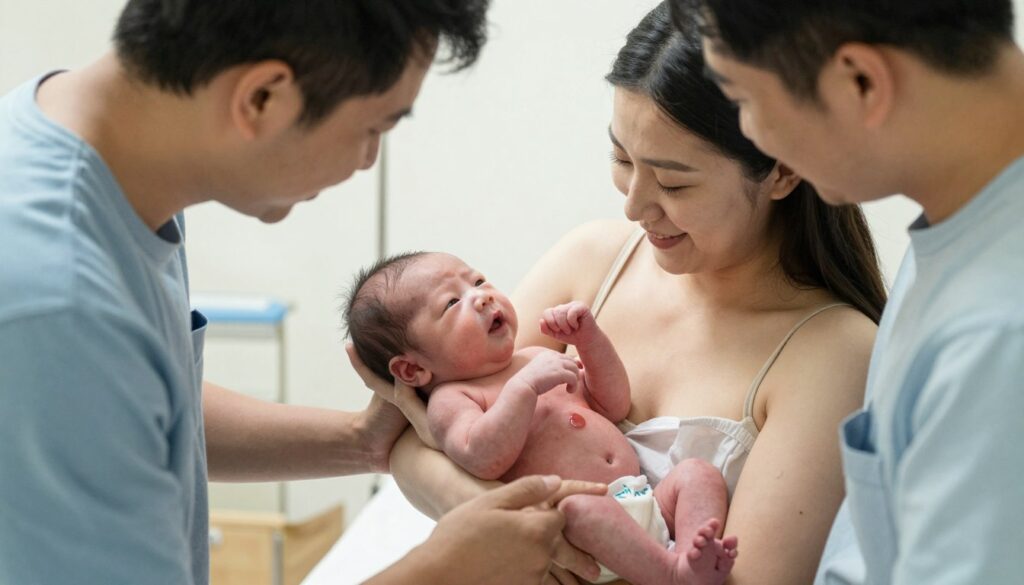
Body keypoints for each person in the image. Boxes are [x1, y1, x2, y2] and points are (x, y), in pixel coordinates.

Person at [0, 2, 607, 585]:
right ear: (262, 97)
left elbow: (133, 408)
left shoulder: (102, 163)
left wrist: (361, 441)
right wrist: (447, 569)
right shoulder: (57, 298)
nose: (368, 161)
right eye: (372, 128)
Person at [347, 4, 888, 584]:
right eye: (621, 158)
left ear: (782, 170)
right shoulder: (593, 261)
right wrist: (531, 533)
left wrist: (505, 528)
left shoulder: (834, 351)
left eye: (674, 181)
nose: (632, 206)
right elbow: (407, 441)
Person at [677, 0, 1024, 583]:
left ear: (859, 81)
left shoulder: (996, 337)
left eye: (743, 100)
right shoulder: (962, 225)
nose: (750, 133)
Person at [344, 250, 739, 585]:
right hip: (584, 533)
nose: (480, 298)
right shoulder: (454, 400)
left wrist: (589, 341)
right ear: (413, 371)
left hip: (641, 494)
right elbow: (482, 456)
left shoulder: (533, 358)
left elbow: (612, 406)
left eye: (478, 281)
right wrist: (523, 390)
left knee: (696, 473)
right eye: (451, 303)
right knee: (576, 509)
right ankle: (671, 574)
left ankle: (690, 554)